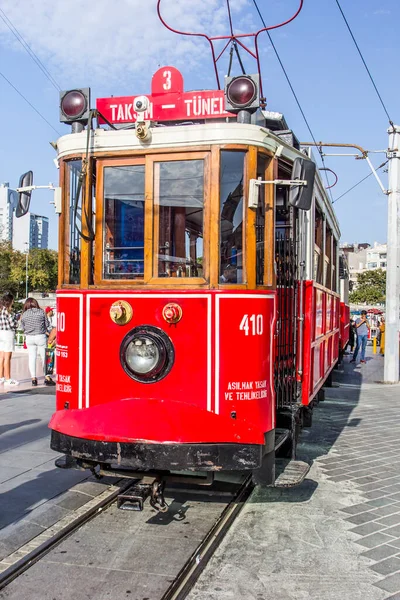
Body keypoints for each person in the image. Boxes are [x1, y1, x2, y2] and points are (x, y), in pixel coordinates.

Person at [20, 298, 56, 386]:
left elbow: (22, 328)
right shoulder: (41, 312)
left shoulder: (24, 314)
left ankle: (33, 379)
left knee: (32, 358)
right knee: (44, 358)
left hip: (29, 337)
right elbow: (47, 325)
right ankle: (47, 377)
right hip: (41, 336)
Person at [0, 291, 19, 387]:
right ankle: (8, 378)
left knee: (1, 357)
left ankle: (1, 377)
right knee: (8, 357)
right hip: (8, 334)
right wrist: (17, 321)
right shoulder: (8, 311)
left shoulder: (1, 310)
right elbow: (13, 324)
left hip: (1, 333)